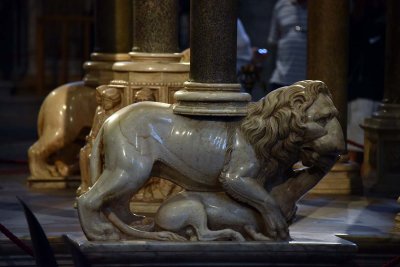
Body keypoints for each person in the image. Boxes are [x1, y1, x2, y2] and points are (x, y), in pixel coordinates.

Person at [267, 0, 307, 90]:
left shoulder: (319, 9)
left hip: (309, 80)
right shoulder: (281, 5)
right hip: (281, 78)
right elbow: (273, 40)